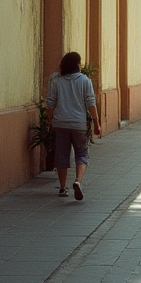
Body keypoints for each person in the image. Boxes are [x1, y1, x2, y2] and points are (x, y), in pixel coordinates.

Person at [45, 51, 101, 200]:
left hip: (60, 123)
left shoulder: (56, 81)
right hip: (79, 124)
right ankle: (78, 180)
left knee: (61, 155)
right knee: (82, 153)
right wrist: (97, 123)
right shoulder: (85, 80)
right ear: (78, 64)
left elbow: (50, 103)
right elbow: (91, 104)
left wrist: (50, 121)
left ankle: (63, 188)